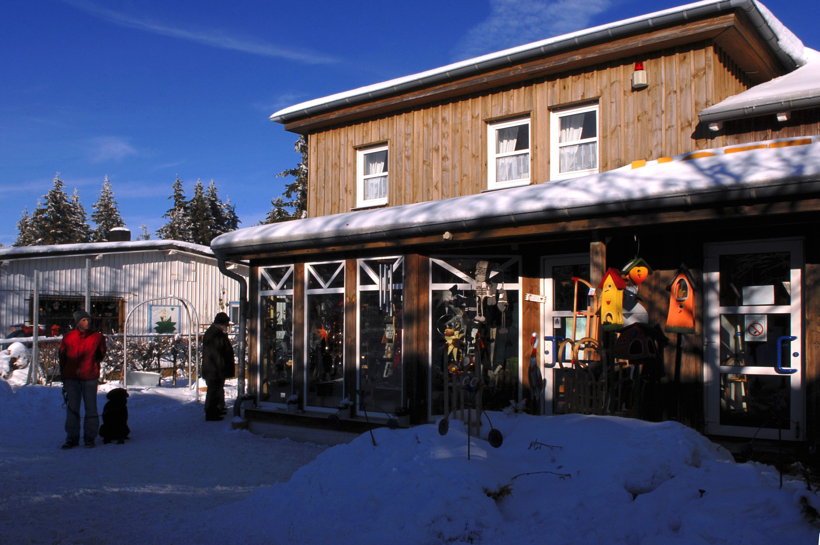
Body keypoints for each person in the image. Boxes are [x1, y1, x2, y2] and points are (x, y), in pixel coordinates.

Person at [59, 310, 107, 449]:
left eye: (88, 320)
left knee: (91, 408)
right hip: (71, 377)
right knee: (72, 409)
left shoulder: (97, 337)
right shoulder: (68, 337)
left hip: (89, 376)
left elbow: (101, 353)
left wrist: (92, 365)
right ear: (77, 322)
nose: (87, 322)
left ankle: (89, 438)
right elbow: (62, 356)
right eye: (84, 320)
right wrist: (64, 375)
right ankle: (71, 438)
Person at [201, 312, 235, 421]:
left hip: (215, 368)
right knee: (213, 391)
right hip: (214, 369)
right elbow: (216, 354)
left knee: (218, 389)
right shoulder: (214, 334)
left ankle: (218, 408)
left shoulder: (216, 333)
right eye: (226, 324)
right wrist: (220, 368)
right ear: (221, 323)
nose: (227, 326)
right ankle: (211, 413)